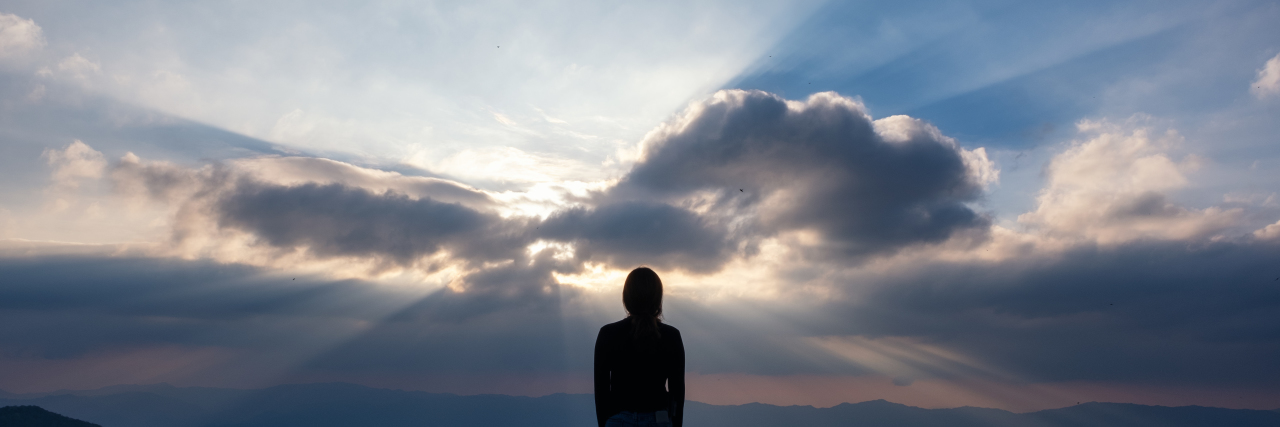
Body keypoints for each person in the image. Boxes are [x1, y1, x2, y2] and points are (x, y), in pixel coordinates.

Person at [594, 267, 685, 427]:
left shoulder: (607, 333)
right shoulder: (671, 336)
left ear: (626, 297)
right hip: (659, 419)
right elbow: (677, 392)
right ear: (658, 298)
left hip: (617, 420)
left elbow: (601, 391)